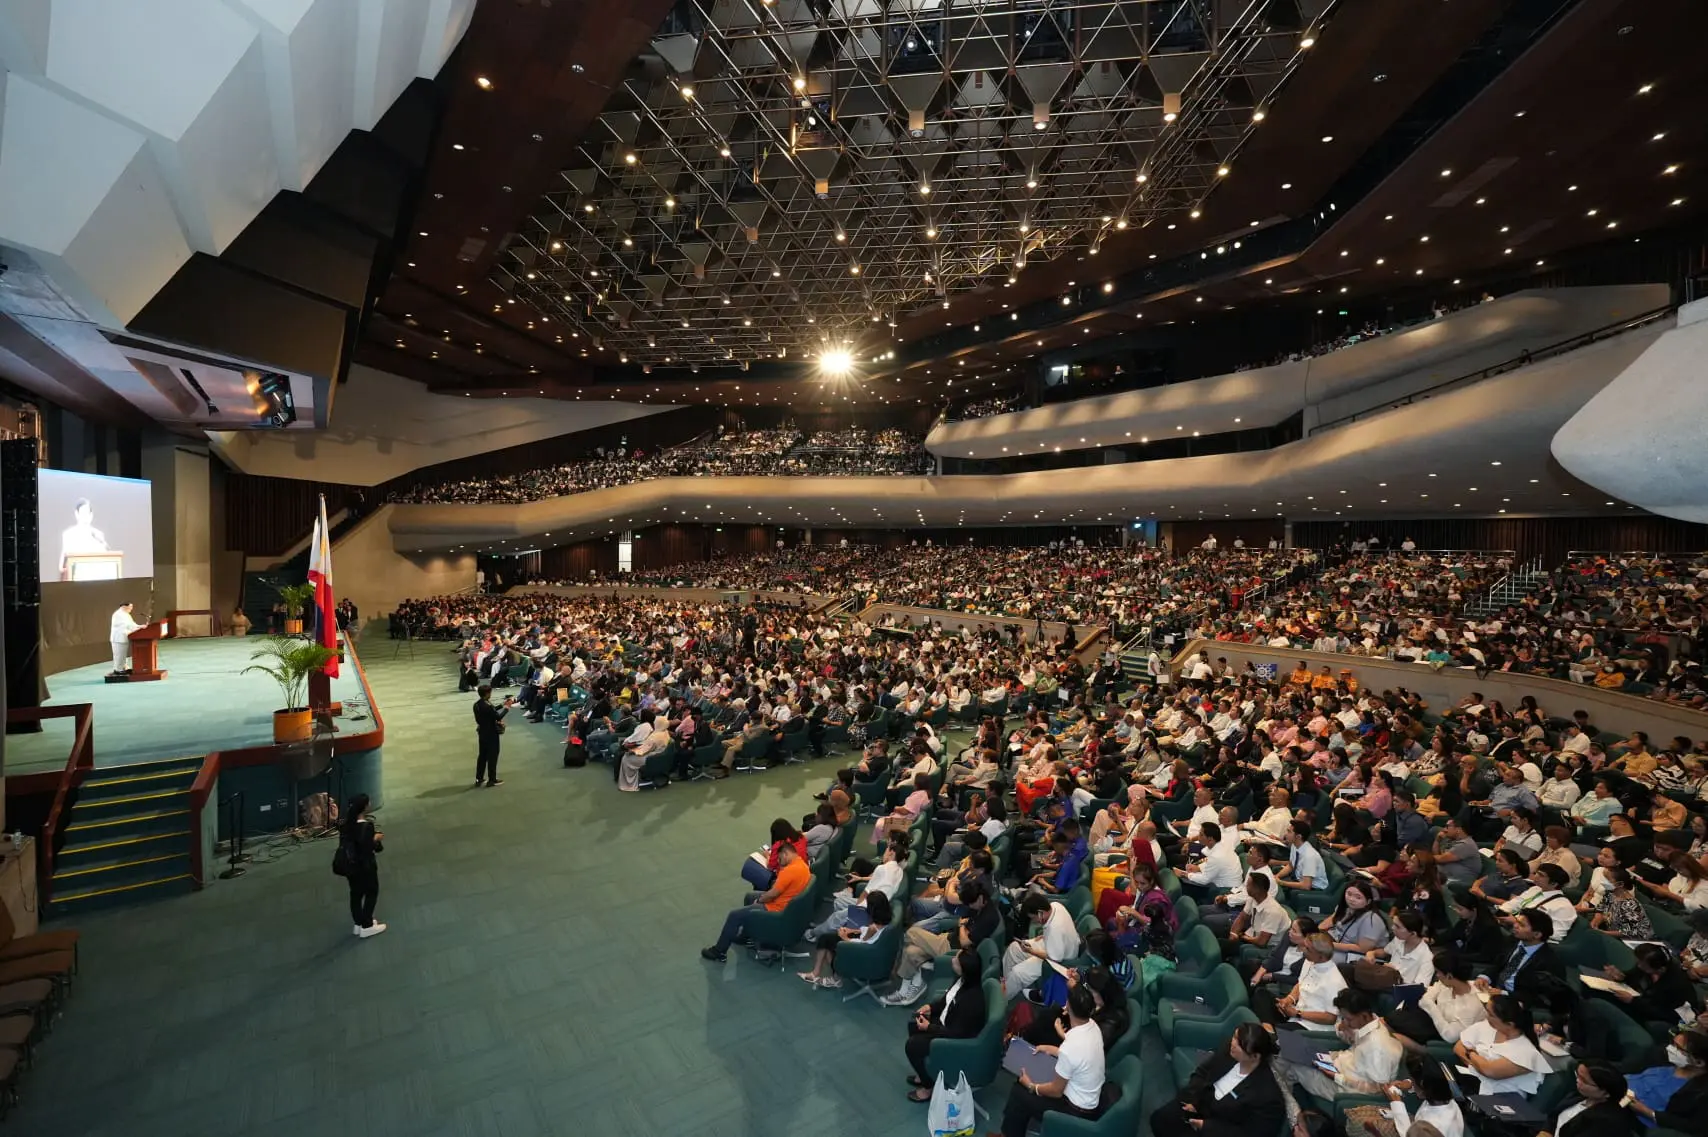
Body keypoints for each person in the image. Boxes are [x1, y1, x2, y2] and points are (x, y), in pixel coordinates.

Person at [997, 984, 1111, 1137]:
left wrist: (1031, 1086)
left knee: (1019, 1092)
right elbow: (1078, 1053)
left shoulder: (1071, 1048)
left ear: (1068, 1007)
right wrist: (1050, 1049)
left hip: (1074, 1109)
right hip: (1088, 1095)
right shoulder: (1092, 1026)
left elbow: (1056, 1091)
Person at [1150, 1021, 1287, 1137]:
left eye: (1239, 1044)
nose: (1233, 1043)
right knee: (1159, 1120)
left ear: (1255, 1056)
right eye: (1234, 1037)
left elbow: (1248, 1133)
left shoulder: (1268, 1098)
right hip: (1200, 1103)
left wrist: (1206, 1126)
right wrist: (1194, 1101)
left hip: (1218, 1126)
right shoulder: (1230, 1050)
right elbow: (1203, 1072)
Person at [701, 839, 809, 962]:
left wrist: (760, 900)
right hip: (787, 904)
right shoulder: (803, 866)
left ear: (785, 854)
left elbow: (772, 894)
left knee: (734, 915)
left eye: (780, 859)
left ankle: (719, 952)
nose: (780, 863)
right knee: (749, 896)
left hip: (776, 908)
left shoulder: (789, 871)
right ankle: (745, 936)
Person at [902, 947, 988, 1101]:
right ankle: (925, 1073)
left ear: (964, 970)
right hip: (946, 1021)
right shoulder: (961, 980)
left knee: (912, 1045)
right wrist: (931, 1008)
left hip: (955, 1039)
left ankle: (928, 1087)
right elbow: (946, 1000)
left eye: (956, 960)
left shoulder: (972, 1000)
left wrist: (929, 1027)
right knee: (913, 1024)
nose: (953, 960)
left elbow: (957, 1033)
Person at [1344, 1053, 1466, 1137]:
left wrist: (1397, 1103)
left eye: (1413, 1081)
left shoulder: (1434, 1124)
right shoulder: (1443, 1098)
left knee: (1362, 1123)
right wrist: (1409, 1084)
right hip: (1413, 1124)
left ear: (1424, 1088)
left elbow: (1408, 1133)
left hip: (1408, 1131)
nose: (1410, 1082)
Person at [1453, 994, 1550, 1096]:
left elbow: (1489, 1071)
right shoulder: (1488, 1026)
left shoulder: (1527, 1052)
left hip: (1501, 1099)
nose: (1487, 1017)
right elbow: (1458, 1047)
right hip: (1475, 1084)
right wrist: (1478, 1065)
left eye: (1491, 1015)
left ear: (1509, 1024)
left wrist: (1470, 1052)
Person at [799, 890, 892, 990]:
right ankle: (818, 973)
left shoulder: (872, 928)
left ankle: (834, 978)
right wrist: (851, 930)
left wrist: (844, 937)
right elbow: (865, 936)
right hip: (867, 947)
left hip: (859, 951)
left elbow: (862, 945)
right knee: (825, 939)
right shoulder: (885, 920)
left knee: (827, 943)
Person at [1624, 1028, 1708, 1131]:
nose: (1670, 1049)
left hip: (1634, 1118)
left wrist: (1643, 1110)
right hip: (1620, 1088)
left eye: (1678, 1048)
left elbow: (1689, 1126)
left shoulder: (1698, 1094)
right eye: (1672, 1043)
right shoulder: (1663, 1058)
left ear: (1699, 1062)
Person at [1548, 1062, 1645, 1137]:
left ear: (1605, 1092)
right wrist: (1545, 1132)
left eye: (1584, 1080)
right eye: (1577, 1075)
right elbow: (1554, 1116)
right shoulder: (1580, 1094)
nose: (1578, 1080)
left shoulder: (1604, 1124)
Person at [340, 792, 385, 938]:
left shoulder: (345, 826)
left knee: (356, 894)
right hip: (366, 867)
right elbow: (369, 848)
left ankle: (358, 924)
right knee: (372, 892)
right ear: (364, 807)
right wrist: (376, 838)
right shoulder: (367, 826)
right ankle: (367, 925)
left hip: (351, 868)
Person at [59, 496, 110, 578]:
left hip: (97, 578)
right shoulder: (69, 535)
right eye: (83, 512)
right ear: (77, 514)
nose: (85, 516)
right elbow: (62, 567)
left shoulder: (98, 535)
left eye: (87, 513)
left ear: (91, 515)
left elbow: (105, 559)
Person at [472, 683, 512, 787]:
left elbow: (491, 711)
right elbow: (497, 716)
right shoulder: (488, 706)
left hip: (482, 733)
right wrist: (507, 708)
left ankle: (479, 778)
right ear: (486, 693)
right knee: (492, 757)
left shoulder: (477, 704)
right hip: (491, 734)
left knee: (482, 756)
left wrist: (501, 704)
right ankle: (492, 780)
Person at [109, 601, 143, 674]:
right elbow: (126, 625)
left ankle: (124, 667)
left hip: (124, 637)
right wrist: (139, 627)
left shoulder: (126, 614)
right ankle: (118, 669)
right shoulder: (118, 614)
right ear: (124, 606)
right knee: (119, 654)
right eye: (130, 607)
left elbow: (132, 624)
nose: (131, 608)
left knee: (123, 654)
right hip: (118, 638)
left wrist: (139, 627)